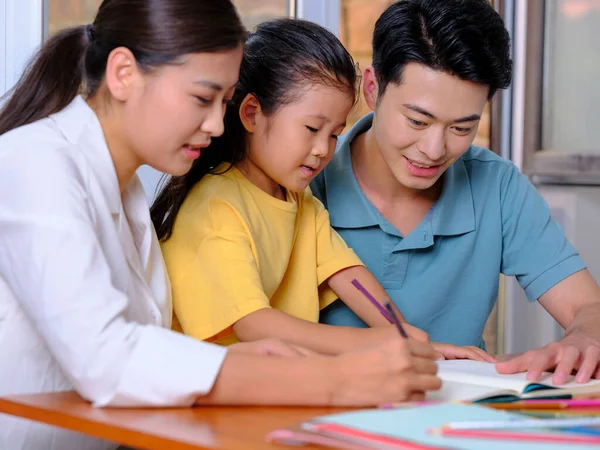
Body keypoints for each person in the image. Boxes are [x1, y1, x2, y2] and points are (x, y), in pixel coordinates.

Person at [0, 2, 442, 450]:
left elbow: (143, 347)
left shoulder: (125, 187)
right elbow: (106, 359)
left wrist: (231, 360)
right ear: (123, 74)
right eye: (201, 98)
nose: (216, 125)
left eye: (223, 102)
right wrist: (332, 378)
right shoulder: (34, 165)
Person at [151, 18, 491, 361]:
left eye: (333, 134)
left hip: (280, 385)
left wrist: (406, 337)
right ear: (252, 114)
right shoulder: (215, 209)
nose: (323, 149)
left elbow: (347, 275)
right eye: (312, 128)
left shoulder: (300, 201)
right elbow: (255, 324)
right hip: (218, 396)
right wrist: (383, 344)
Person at [311, 0, 600, 385]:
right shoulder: (306, 181)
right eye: (417, 120)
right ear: (372, 87)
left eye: (461, 128)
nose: (434, 149)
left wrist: (584, 339)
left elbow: (587, 306)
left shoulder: (496, 186)